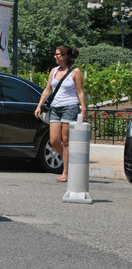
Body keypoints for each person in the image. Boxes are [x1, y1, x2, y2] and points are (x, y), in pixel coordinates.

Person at [35, 45, 87, 183]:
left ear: (65, 56)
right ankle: (69, 160)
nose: (55, 56)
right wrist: (39, 105)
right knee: (54, 140)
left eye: (58, 54)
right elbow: (47, 90)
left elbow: (80, 91)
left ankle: (65, 172)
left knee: (65, 140)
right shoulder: (54, 71)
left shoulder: (75, 72)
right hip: (55, 108)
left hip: (69, 107)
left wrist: (84, 109)